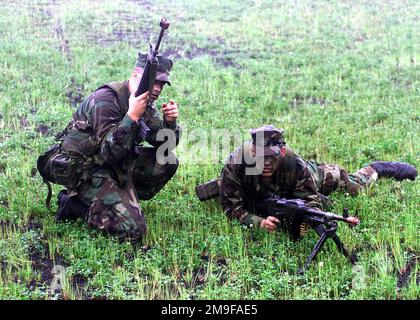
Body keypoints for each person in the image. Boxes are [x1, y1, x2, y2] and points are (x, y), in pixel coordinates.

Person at [37, 52, 181, 242]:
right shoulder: (106, 100)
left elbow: (166, 144)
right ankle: (74, 204)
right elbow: (109, 153)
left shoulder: (144, 102)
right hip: (87, 170)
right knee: (132, 230)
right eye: (153, 81)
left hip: (115, 164)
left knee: (167, 159)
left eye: (161, 84)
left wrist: (170, 123)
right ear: (137, 76)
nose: (157, 89)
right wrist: (131, 117)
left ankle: (118, 200)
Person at [195, 125, 417, 232]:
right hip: (253, 187)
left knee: (348, 183)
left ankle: (376, 168)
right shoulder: (237, 162)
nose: (267, 163)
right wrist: (259, 222)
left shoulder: (295, 165)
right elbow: (230, 207)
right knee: (230, 190)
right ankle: (225, 185)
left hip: (299, 180)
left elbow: (311, 201)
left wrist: (308, 220)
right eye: (262, 157)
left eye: (272, 157)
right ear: (253, 152)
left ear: (281, 152)